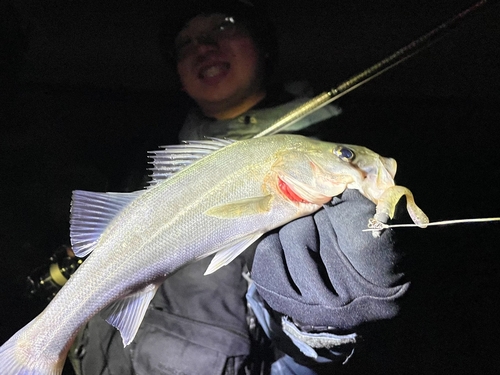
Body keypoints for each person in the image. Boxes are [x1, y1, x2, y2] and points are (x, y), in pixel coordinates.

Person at [64, 1, 409, 374]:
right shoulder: (154, 167)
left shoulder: (321, 178)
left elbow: (288, 365)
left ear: (263, 46)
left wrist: (320, 327)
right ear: (179, 77)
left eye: (224, 27)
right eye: (187, 43)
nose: (204, 47)